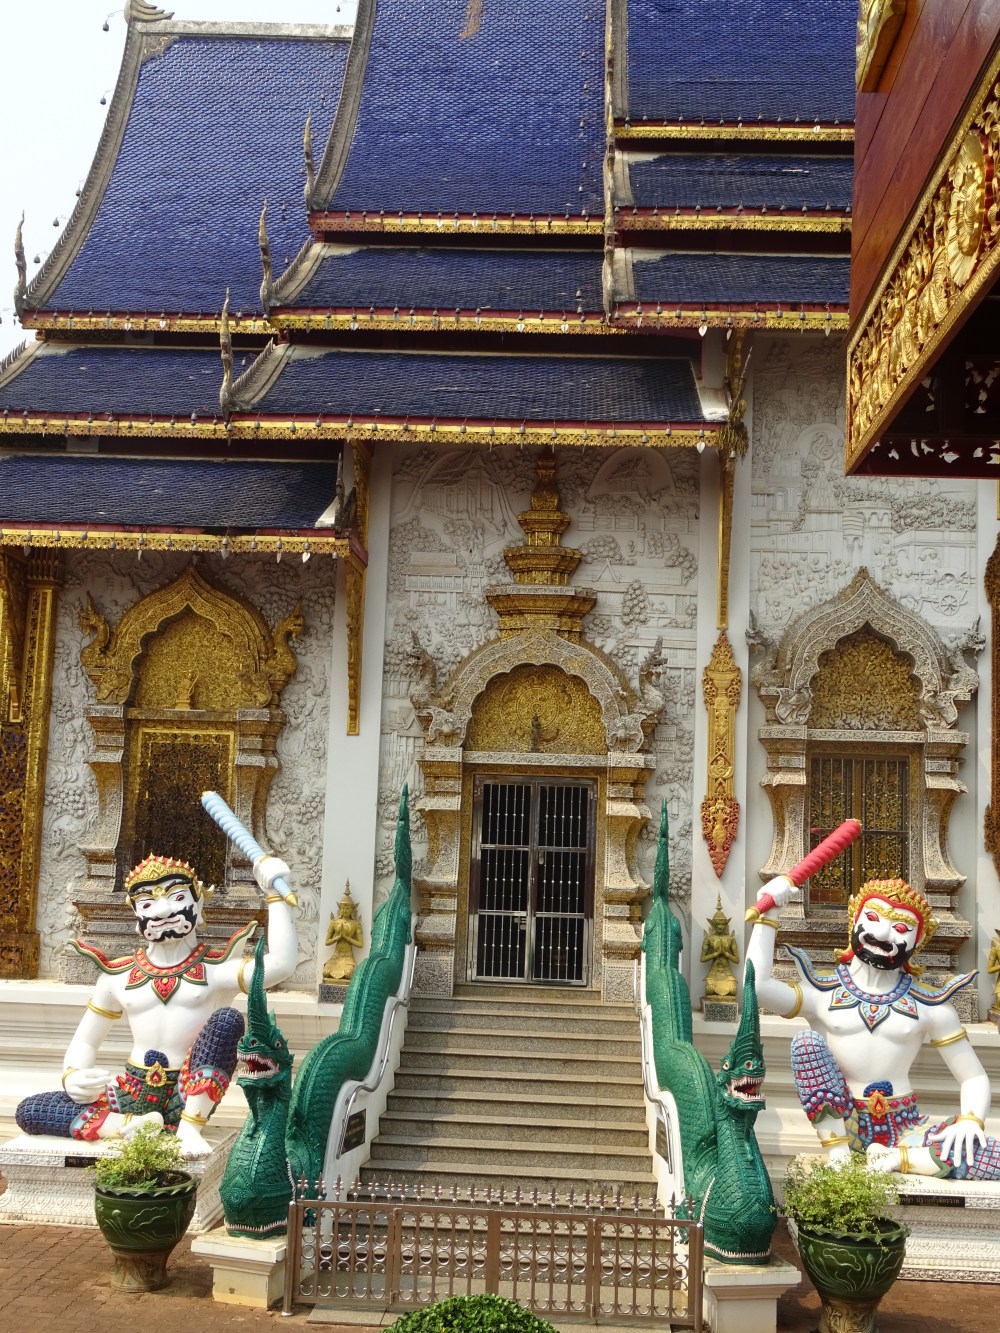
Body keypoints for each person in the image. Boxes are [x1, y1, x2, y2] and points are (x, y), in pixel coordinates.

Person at [15, 851, 296, 1157]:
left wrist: (274, 895)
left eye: (177, 898)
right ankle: (132, 1126)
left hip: (189, 1093)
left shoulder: (215, 972)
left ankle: (189, 1129)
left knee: (227, 1021)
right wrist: (74, 1075)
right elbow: (85, 1041)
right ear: (136, 916)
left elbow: (280, 965)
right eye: (147, 904)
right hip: (131, 1090)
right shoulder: (117, 977)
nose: (162, 911)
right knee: (31, 1110)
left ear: (199, 905)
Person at [746, 875, 1000, 1179]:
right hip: (844, 1124)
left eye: (901, 928)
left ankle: (900, 1158)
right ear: (854, 920)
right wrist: (768, 916)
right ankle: (840, 1155)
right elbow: (757, 988)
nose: (882, 933)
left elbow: (973, 1077)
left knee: (989, 1154)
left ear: (918, 941)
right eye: (873, 917)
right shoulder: (823, 994)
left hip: (904, 1129)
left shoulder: (930, 1007)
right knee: (806, 1045)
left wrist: (971, 1121)